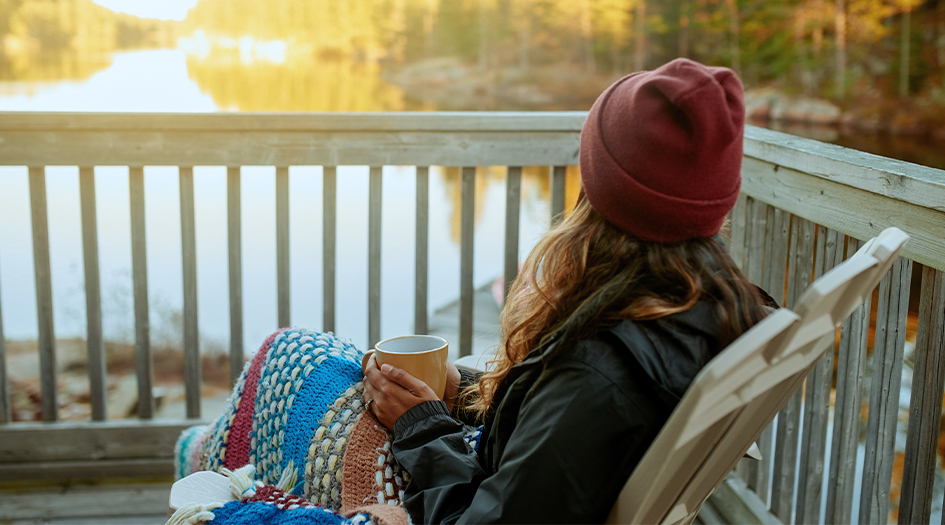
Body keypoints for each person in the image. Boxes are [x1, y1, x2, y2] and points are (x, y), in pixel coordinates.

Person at [361, 57, 772, 524]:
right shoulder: (700, 306)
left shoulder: (596, 373)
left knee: (297, 359)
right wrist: (467, 394)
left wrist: (421, 429)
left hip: (446, 500)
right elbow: (551, 444)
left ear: (602, 184)